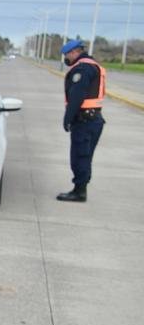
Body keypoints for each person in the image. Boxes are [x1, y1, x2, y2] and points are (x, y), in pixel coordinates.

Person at [57, 38, 106, 202]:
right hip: (93, 119)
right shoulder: (93, 65)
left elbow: (77, 95)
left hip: (84, 121)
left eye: (66, 55)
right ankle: (80, 188)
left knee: (80, 157)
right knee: (85, 156)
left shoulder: (82, 69)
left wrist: (68, 118)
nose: (66, 59)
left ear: (74, 52)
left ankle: (79, 192)